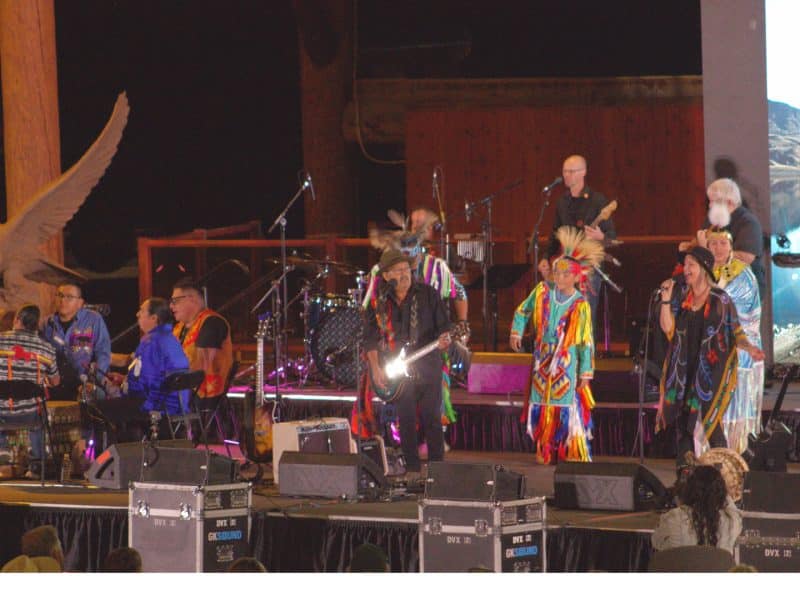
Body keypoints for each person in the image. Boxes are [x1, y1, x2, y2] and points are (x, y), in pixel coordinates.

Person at [360, 209, 468, 439]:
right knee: (401, 408)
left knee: (432, 406)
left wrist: (462, 323)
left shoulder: (437, 268)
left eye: (414, 251)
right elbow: (369, 314)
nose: (411, 256)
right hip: (392, 353)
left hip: (430, 346)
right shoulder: (381, 271)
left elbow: (459, 294)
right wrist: (376, 361)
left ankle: (432, 445)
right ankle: (395, 442)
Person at [656, 246, 765, 469]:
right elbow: (669, 329)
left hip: (709, 375)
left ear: (704, 268)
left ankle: (727, 480)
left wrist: (750, 349)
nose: (685, 269)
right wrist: (666, 301)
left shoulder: (720, 299)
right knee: (684, 428)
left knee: (711, 425)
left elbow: (736, 332)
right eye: (685, 265)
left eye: (691, 265)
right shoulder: (682, 297)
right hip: (684, 375)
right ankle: (684, 484)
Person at [510, 226, 602, 464]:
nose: (559, 278)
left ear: (576, 277)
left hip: (566, 364)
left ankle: (568, 449)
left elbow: (585, 342)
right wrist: (516, 332)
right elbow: (523, 310)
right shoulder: (542, 292)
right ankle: (544, 447)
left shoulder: (580, 304)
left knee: (565, 407)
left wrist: (586, 372)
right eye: (556, 273)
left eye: (565, 274)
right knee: (541, 403)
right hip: (543, 360)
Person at [362, 249, 451, 477]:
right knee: (406, 419)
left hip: (427, 365)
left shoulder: (428, 295)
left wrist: (445, 340)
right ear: (387, 275)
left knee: (432, 418)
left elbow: (445, 328)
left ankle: (438, 472)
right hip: (397, 370)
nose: (405, 274)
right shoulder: (378, 301)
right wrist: (376, 367)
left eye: (406, 269)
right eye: (398, 270)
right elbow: (369, 338)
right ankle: (412, 468)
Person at [95, 298, 190, 443]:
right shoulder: (168, 338)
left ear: (154, 318)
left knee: (97, 410)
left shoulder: (152, 342)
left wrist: (116, 389)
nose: (137, 314)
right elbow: (151, 376)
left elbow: (142, 388)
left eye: (141, 311)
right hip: (175, 403)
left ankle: (108, 460)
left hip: (158, 406)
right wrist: (123, 379)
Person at [539, 155, 617, 326]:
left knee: (584, 318)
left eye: (571, 171)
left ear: (583, 173)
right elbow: (555, 234)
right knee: (561, 317)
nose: (567, 175)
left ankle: (587, 352)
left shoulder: (597, 200)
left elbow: (612, 237)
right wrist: (546, 257)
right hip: (564, 268)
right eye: (565, 171)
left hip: (588, 269)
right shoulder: (562, 202)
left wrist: (600, 237)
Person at [707, 227, 764, 454]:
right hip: (709, 349)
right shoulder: (701, 271)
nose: (719, 248)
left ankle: (735, 454)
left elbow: (745, 315)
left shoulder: (743, 274)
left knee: (734, 407)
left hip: (739, 347)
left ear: (731, 246)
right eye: (713, 243)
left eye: (723, 243)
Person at [681, 178, 766, 299]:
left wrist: (707, 252)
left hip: (742, 289)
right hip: (713, 286)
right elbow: (699, 242)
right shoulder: (712, 221)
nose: (710, 205)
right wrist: (690, 247)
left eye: (714, 201)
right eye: (709, 201)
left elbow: (745, 257)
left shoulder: (748, 223)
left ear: (730, 202)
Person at [0, 305, 60, 472]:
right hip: (30, 416)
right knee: (41, 414)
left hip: (2, 414)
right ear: (36, 325)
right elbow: (55, 381)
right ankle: (37, 463)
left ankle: (3, 455)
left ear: (17, 320)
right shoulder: (47, 348)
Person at [652, 465, 742, 554]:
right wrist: (718, 491)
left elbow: (656, 542)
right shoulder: (731, 521)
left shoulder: (674, 517)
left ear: (688, 489)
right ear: (722, 492)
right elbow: (732, 509)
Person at [42, 282, 111, 400]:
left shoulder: (93, 319)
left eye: (69, 297)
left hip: (84, 383)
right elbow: (41, 354)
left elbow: (103, 352)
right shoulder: (47, 323)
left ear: (80, 303)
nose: (63, 300)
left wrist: (94, 380)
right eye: (60, 295)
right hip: (57, 384)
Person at [170, 278, 233, 399]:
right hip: (181, 393)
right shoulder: (179, 328)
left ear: (191, 299)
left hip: (202, 396)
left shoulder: (211, 322)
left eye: (175, 301)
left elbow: (200, 367)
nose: (171, 306)